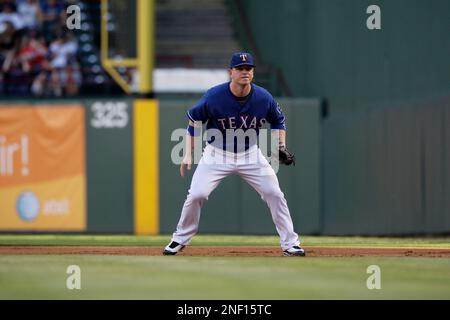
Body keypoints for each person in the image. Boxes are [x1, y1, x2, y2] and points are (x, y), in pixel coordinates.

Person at [163, 52, 305, 257]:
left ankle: (290, 244)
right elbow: (194, 120)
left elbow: (278, 120)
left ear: (253, 72)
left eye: (248, 69)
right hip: (216, 154)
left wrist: (280, 146)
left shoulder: (263, 97)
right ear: (231, 72)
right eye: (240, 68)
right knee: (196, 194)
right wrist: (188, 153)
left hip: (250, 155)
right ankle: (179, 238)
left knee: (274, 194)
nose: (245, 72)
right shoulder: (214, 96)